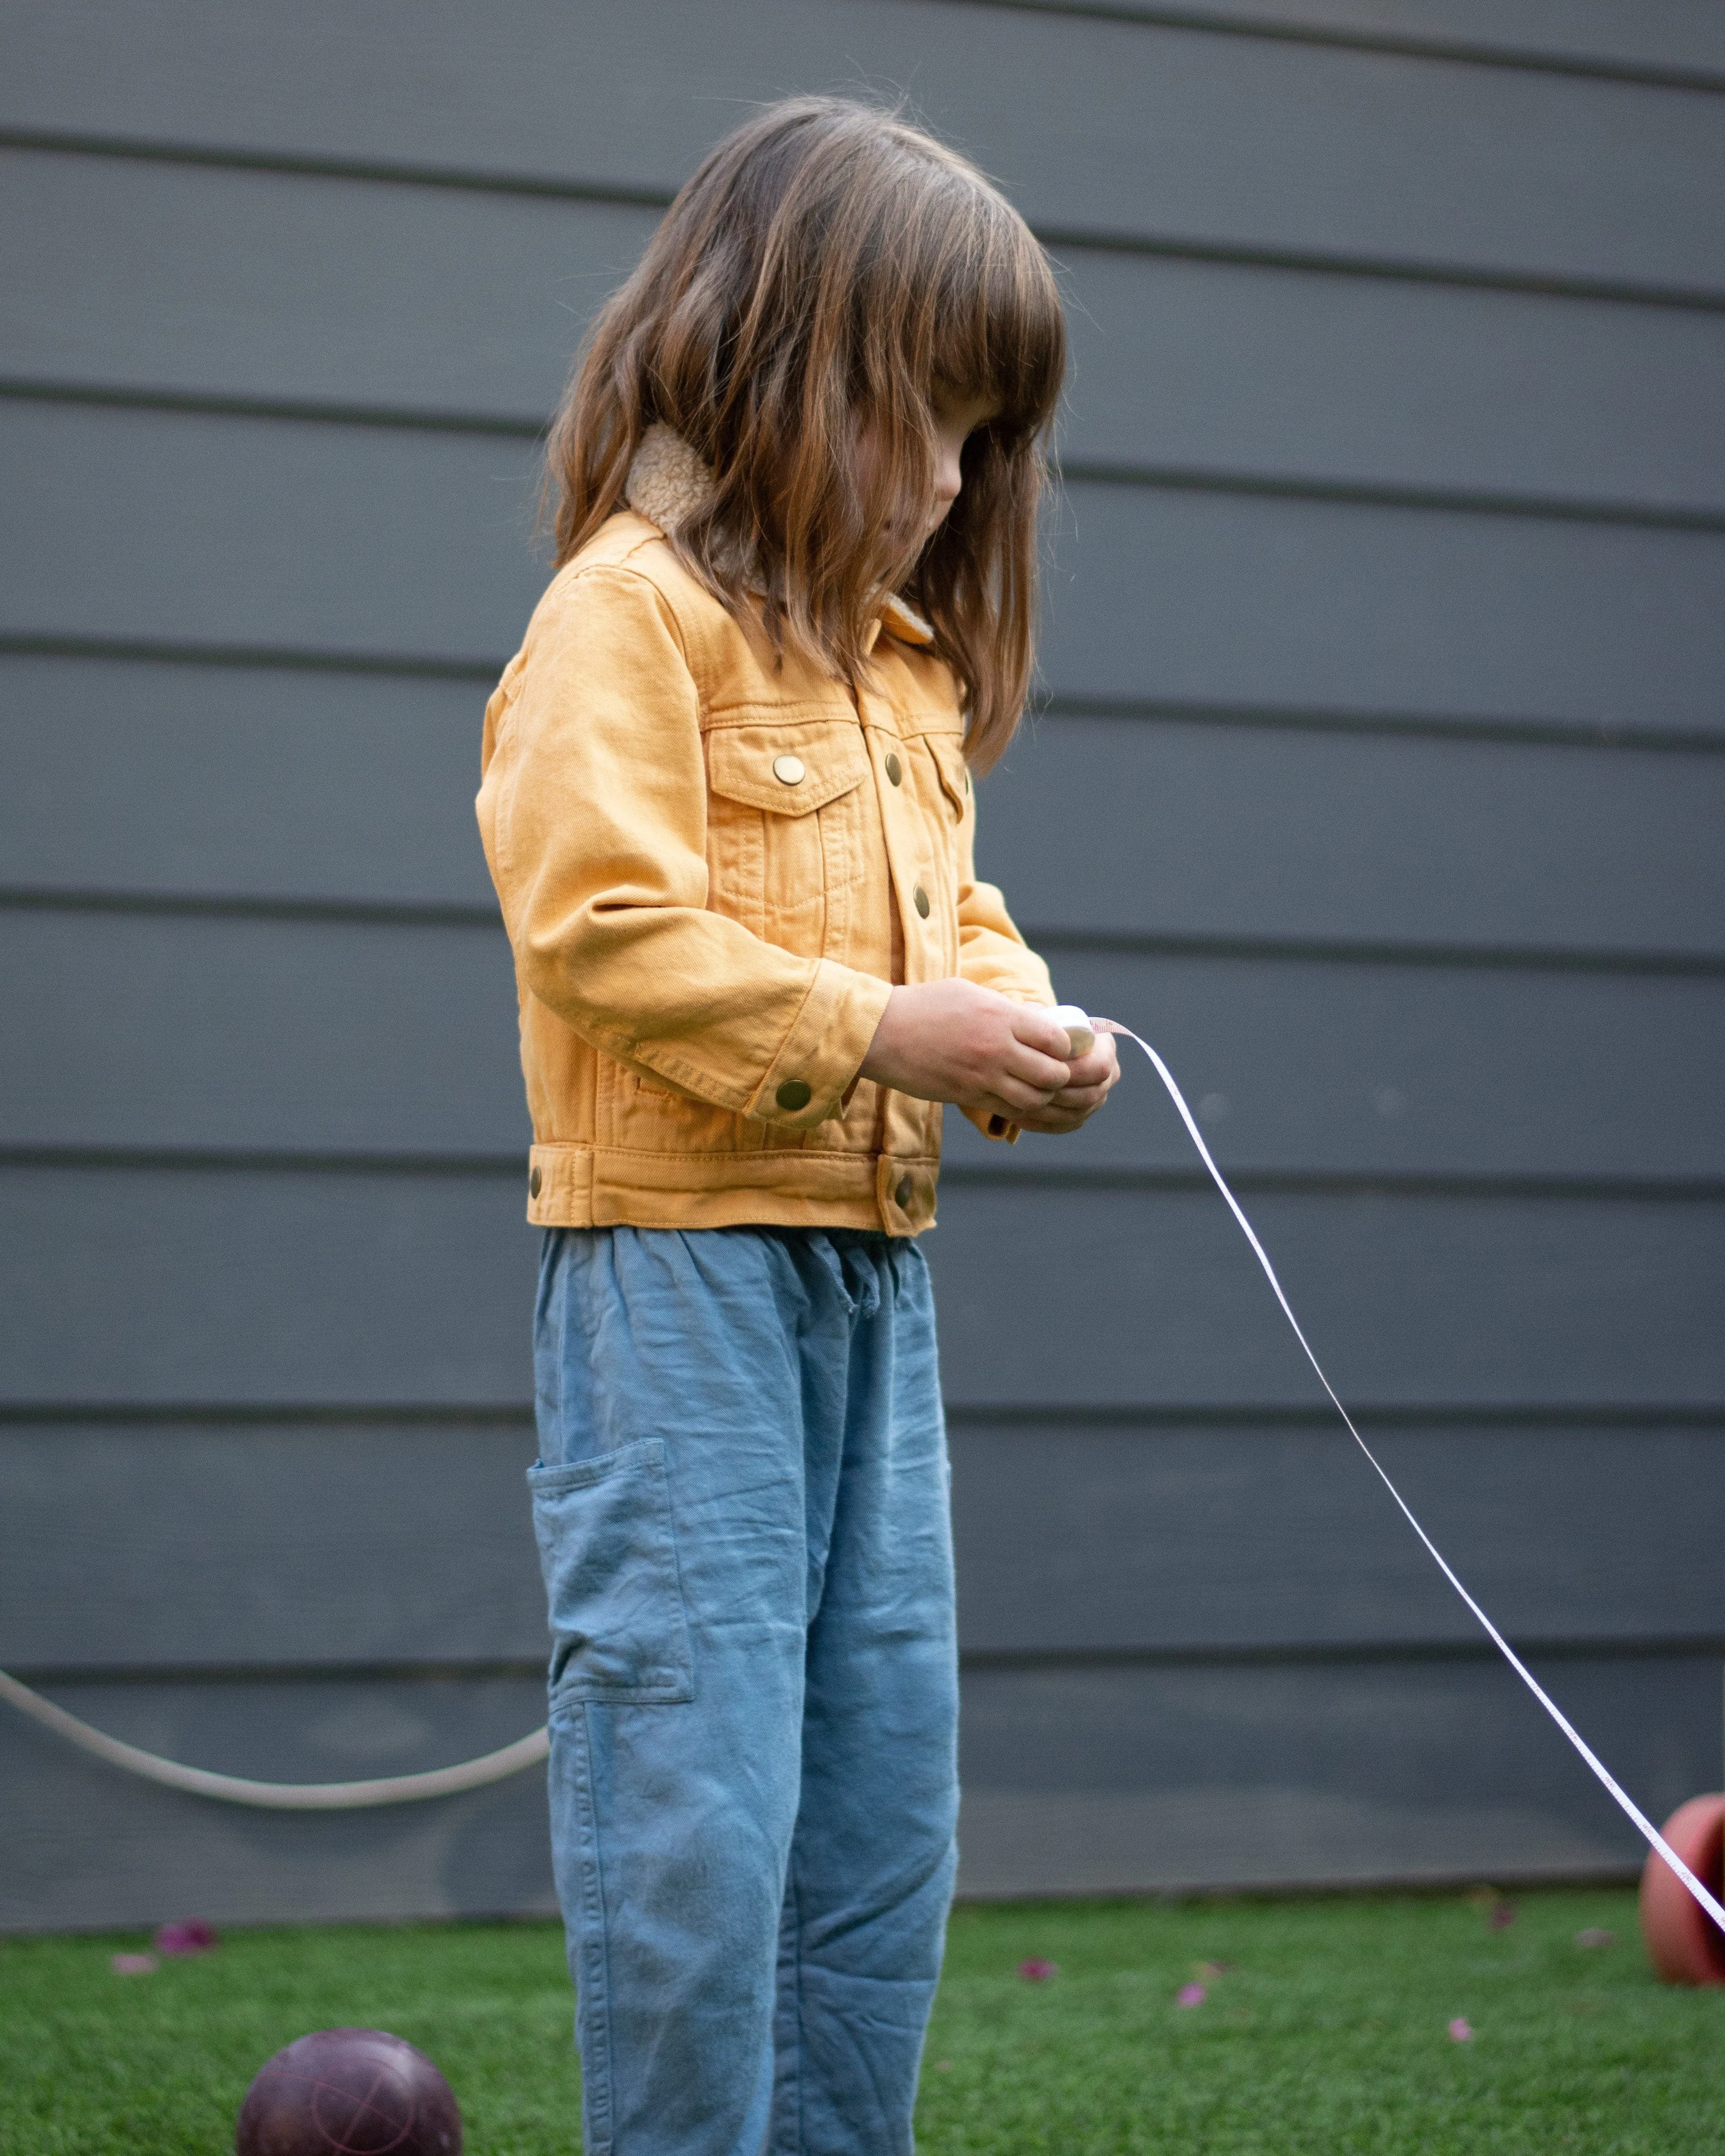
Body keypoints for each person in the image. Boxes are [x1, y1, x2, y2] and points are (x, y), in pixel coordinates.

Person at [476, 95, 1119, 2156]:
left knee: (873, 1815)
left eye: (975, 442)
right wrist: (881, 1029)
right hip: (678, 1290)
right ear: (768, 354)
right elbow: (597, 924)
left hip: (872, 1301)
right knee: (698, 1807)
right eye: (912, 420)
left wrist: (1010, 1019)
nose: (944, 485)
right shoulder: (625, 616)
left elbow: (955, 912)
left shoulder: (895, 667)